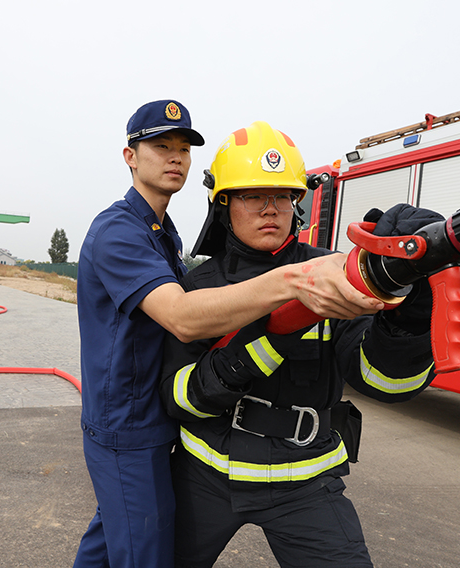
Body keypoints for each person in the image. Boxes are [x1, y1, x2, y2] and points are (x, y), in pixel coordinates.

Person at [73, 103, 384, 568]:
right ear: (130, 156)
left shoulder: (161, 233)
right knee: (144, 552)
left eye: (183, 149)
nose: (175, 157)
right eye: (161, 146)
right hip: (128, 423)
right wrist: (293, 282)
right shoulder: (119, 231)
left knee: (111, 538)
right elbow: (181, 318)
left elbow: (379, 369)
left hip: (166, 426)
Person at [159, 121, 443, 568]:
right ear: (223, 204)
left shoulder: (333, 274)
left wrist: (410, 306)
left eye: (283, 196)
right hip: (205, 475)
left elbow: (385, 382)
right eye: (253, 195)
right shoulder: (198, 289)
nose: (270, 209)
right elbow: (179, 399)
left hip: (306, 481)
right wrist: (258, 344)